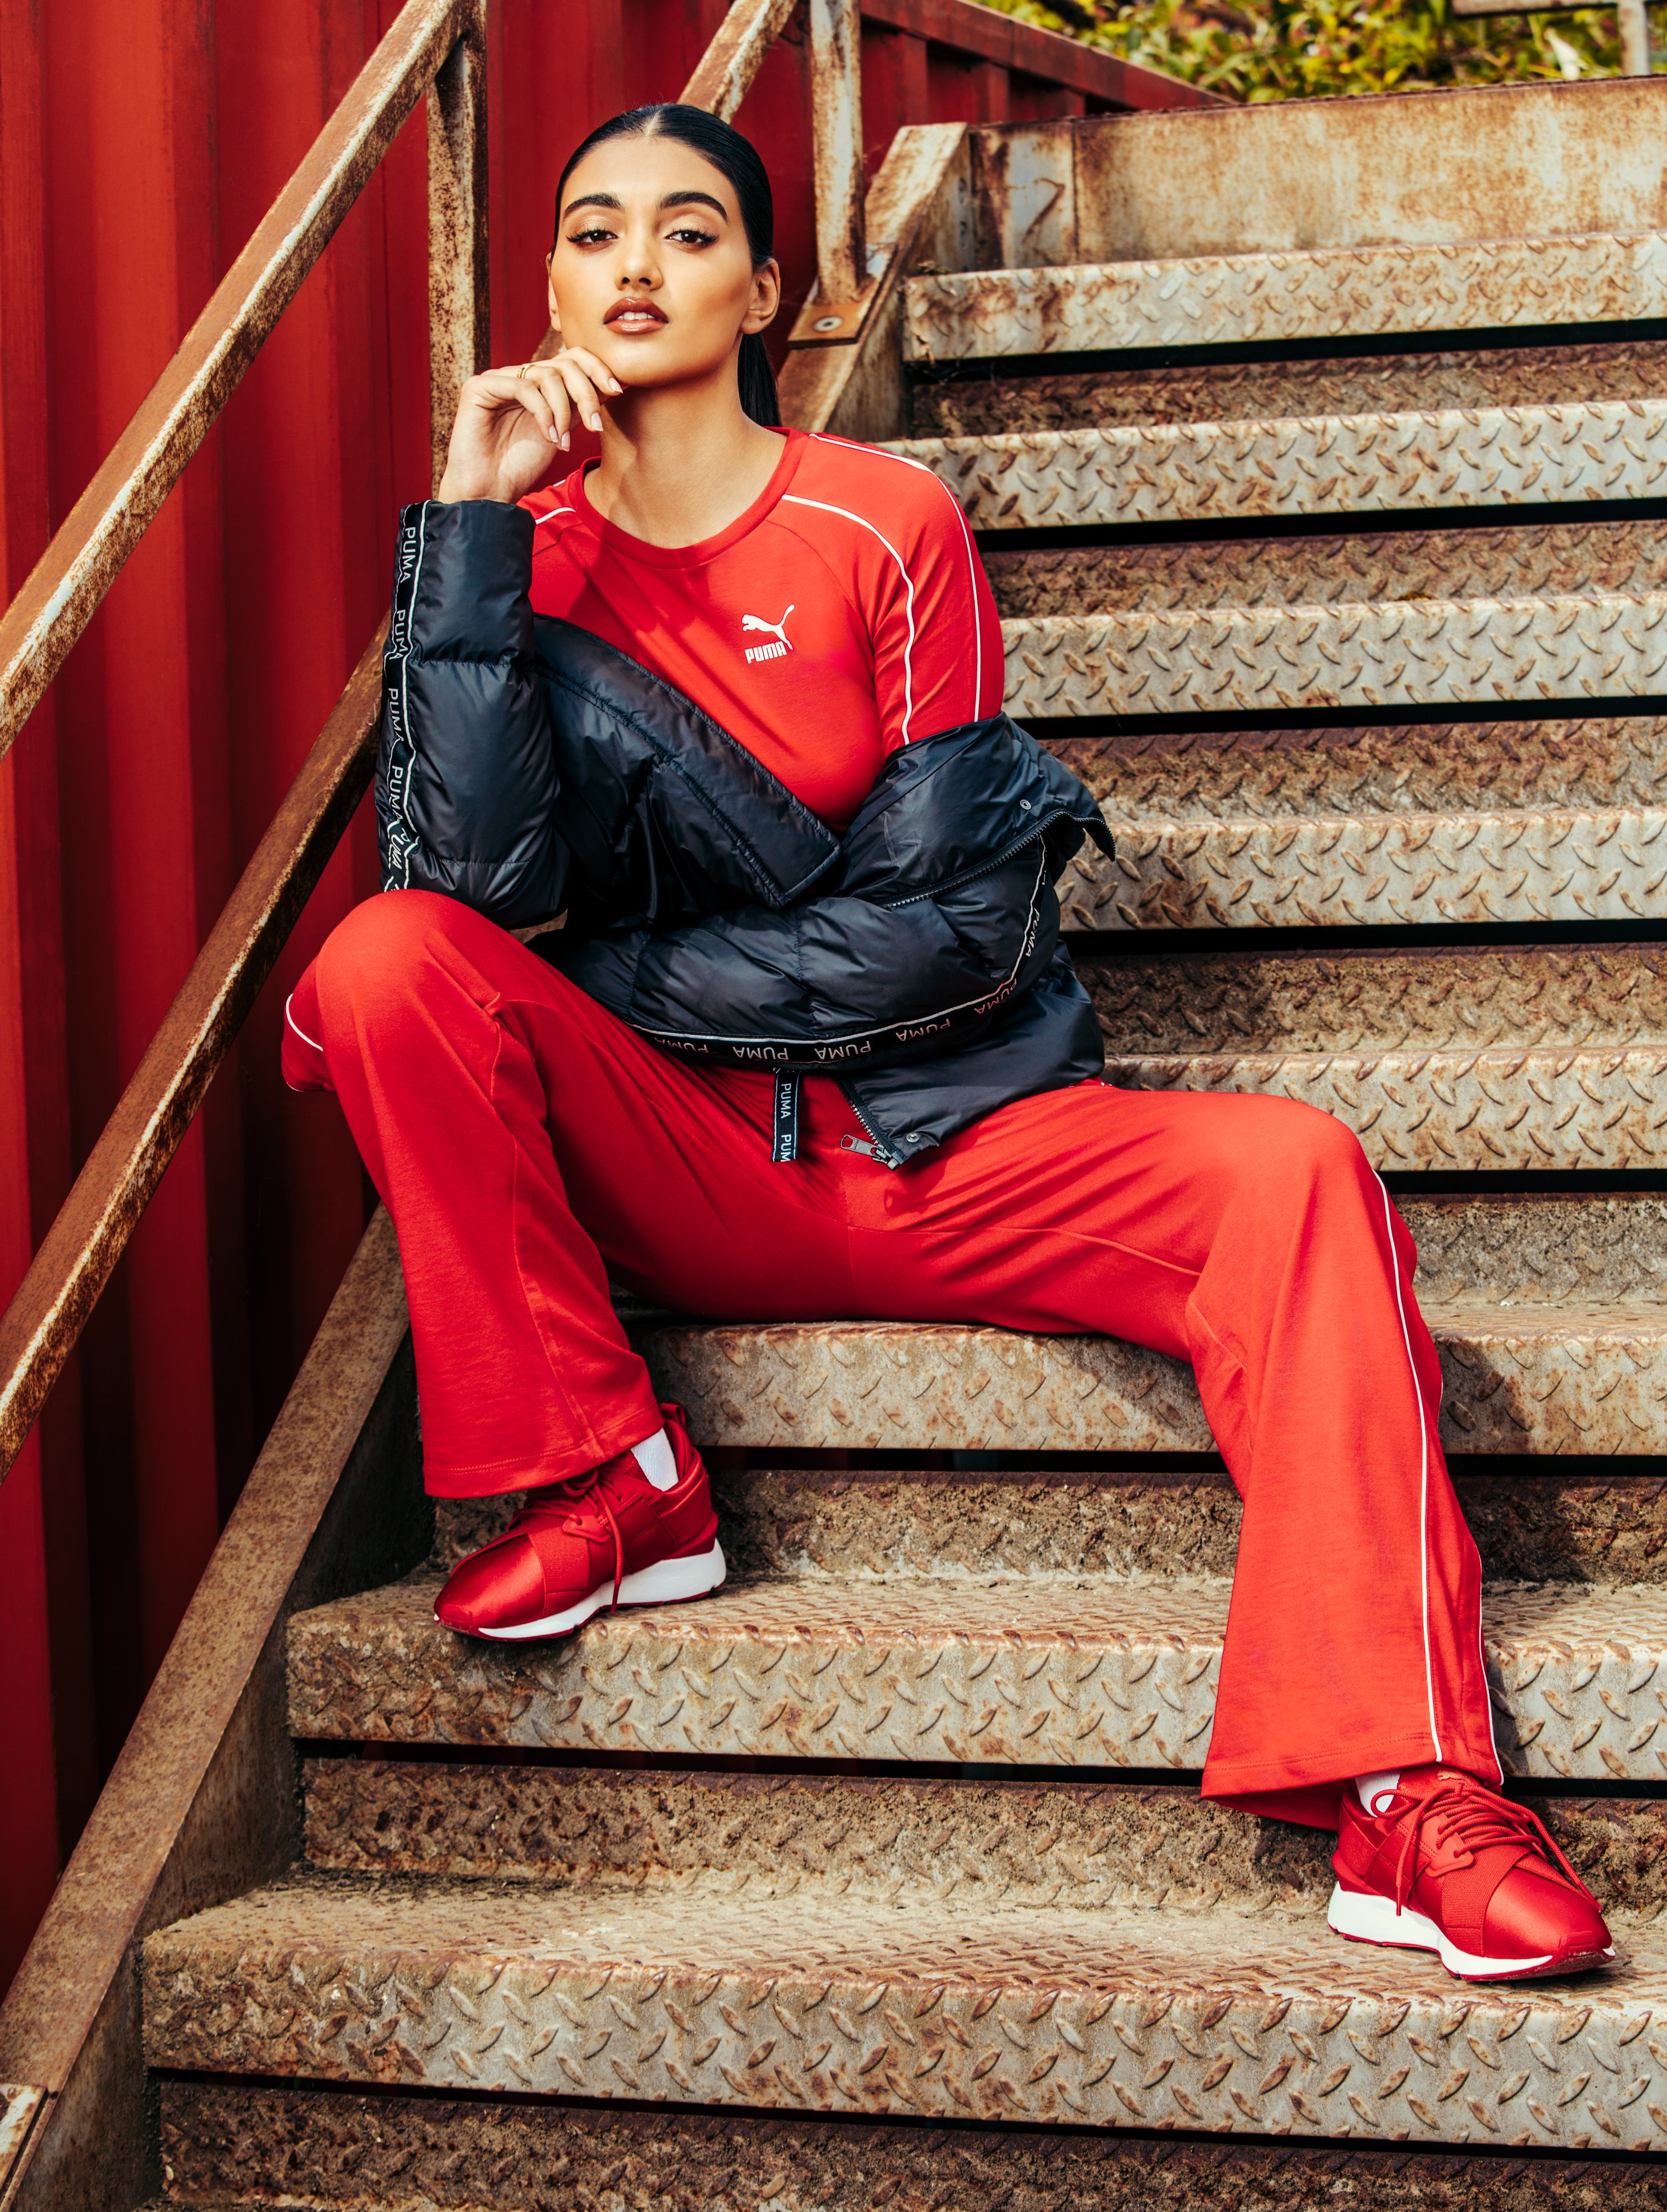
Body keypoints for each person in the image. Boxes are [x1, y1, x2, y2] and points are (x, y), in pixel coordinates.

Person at [283, 102, 1613, 1986]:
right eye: (593, 230)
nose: (636, 262)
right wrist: (473, 529)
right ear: (554, 283)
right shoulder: (517, 554)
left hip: (956, 1143)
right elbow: (473, 900)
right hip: (690, 1167)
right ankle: (609, 1478)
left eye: (687, 230)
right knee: (381, 961)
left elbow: (950, 929)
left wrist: (619, 975)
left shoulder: (879, 521)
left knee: (1294, 1171)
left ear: (764, 288)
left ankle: (1410, 1792)